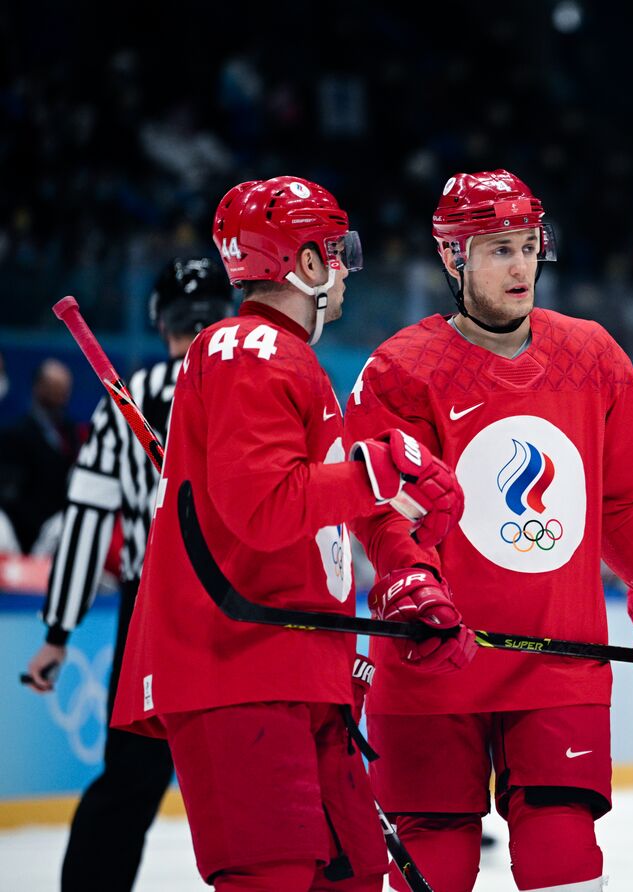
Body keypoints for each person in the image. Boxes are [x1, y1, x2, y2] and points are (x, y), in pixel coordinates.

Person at [345, 169, 633, 892]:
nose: (520, 267)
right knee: (434, 863)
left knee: (562, 859)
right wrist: (408, 580)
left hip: (555, 663)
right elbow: (386, 514)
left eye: (526, 246)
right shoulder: (401, 369)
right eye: (497, 251)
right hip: (432, 661)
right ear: (454, 259)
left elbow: (620, 508)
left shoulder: (594, 356)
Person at [109, 176, 470, 892]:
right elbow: (265, 507)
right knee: (273, 879)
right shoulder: (250, 348)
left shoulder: (283, 358)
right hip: (240, 671)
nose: (343, 270)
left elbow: (315, 517)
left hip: (297, 669)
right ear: (304, 265)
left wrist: (405, 573)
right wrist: (379, 473)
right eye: (335, 251)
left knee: (354, 876)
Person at [23, 257, 234, 892]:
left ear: (158, 319)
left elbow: (86, 521)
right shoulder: (255, 383)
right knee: (262, 774)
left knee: (131, 779)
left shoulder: (128, 396)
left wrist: (58, 635)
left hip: (159, 614)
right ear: (226, 316)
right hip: (249, 608)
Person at [0, 357, 85, 551]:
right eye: (55, 387)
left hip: (61, 532)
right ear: (39, 387)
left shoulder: (73, 433)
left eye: (65, 388)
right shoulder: (16, 436)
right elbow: (11, 496)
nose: (62, 395)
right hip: (22, 536)